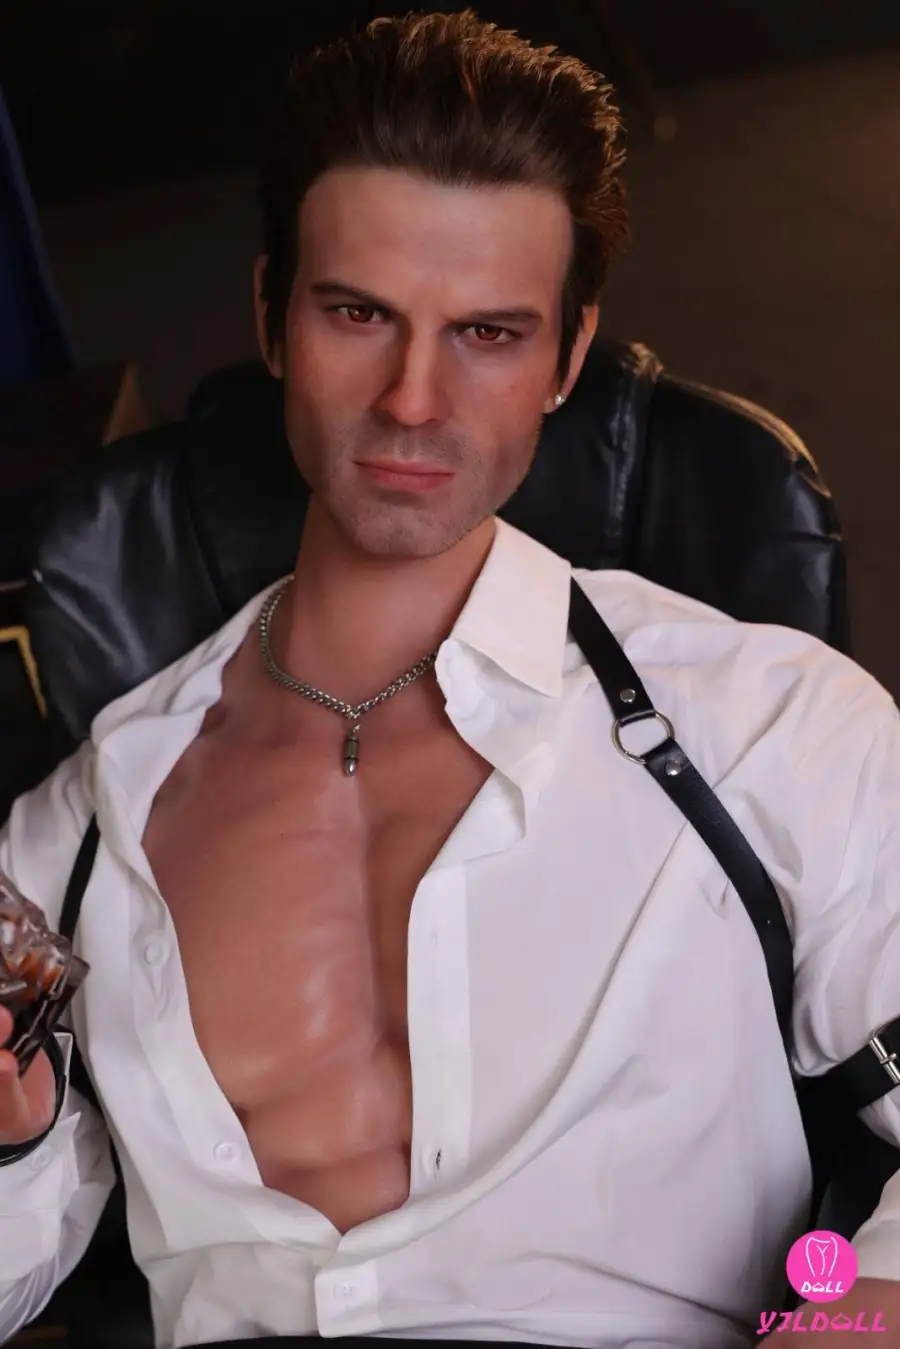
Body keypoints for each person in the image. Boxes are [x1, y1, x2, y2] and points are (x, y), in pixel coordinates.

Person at [1, 9, 899, 1349]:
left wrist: (851, 1323)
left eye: (487, 332)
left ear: (567, 357)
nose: (414, 400)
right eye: (359, 313)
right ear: (272, 315)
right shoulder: (77, 834)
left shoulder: (768, 727)